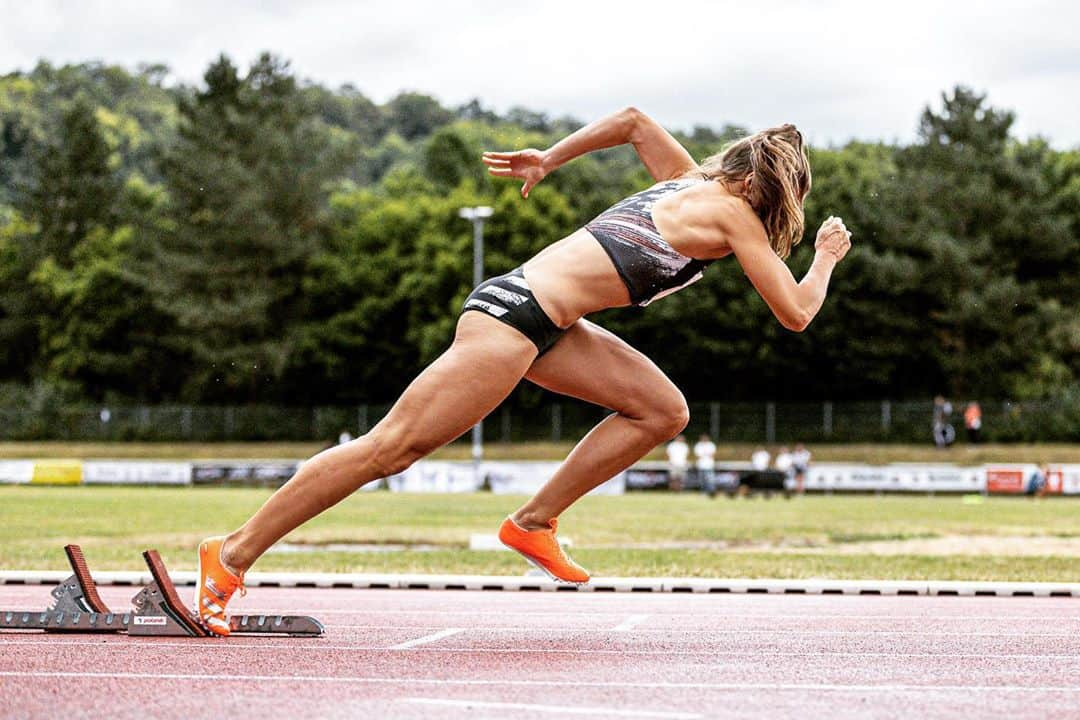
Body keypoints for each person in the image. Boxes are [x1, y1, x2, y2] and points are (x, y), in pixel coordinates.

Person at [193, 106, 851, 635]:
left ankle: (533, 522)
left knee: (661, 410)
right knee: (391, 449)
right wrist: (823, 258)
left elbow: (633, 122)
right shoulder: (735, 214)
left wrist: (552, 157)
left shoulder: (685, 184)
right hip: (515, 320)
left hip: (550, 326)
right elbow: (794, 313)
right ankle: (229, 556)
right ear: (770, 193)